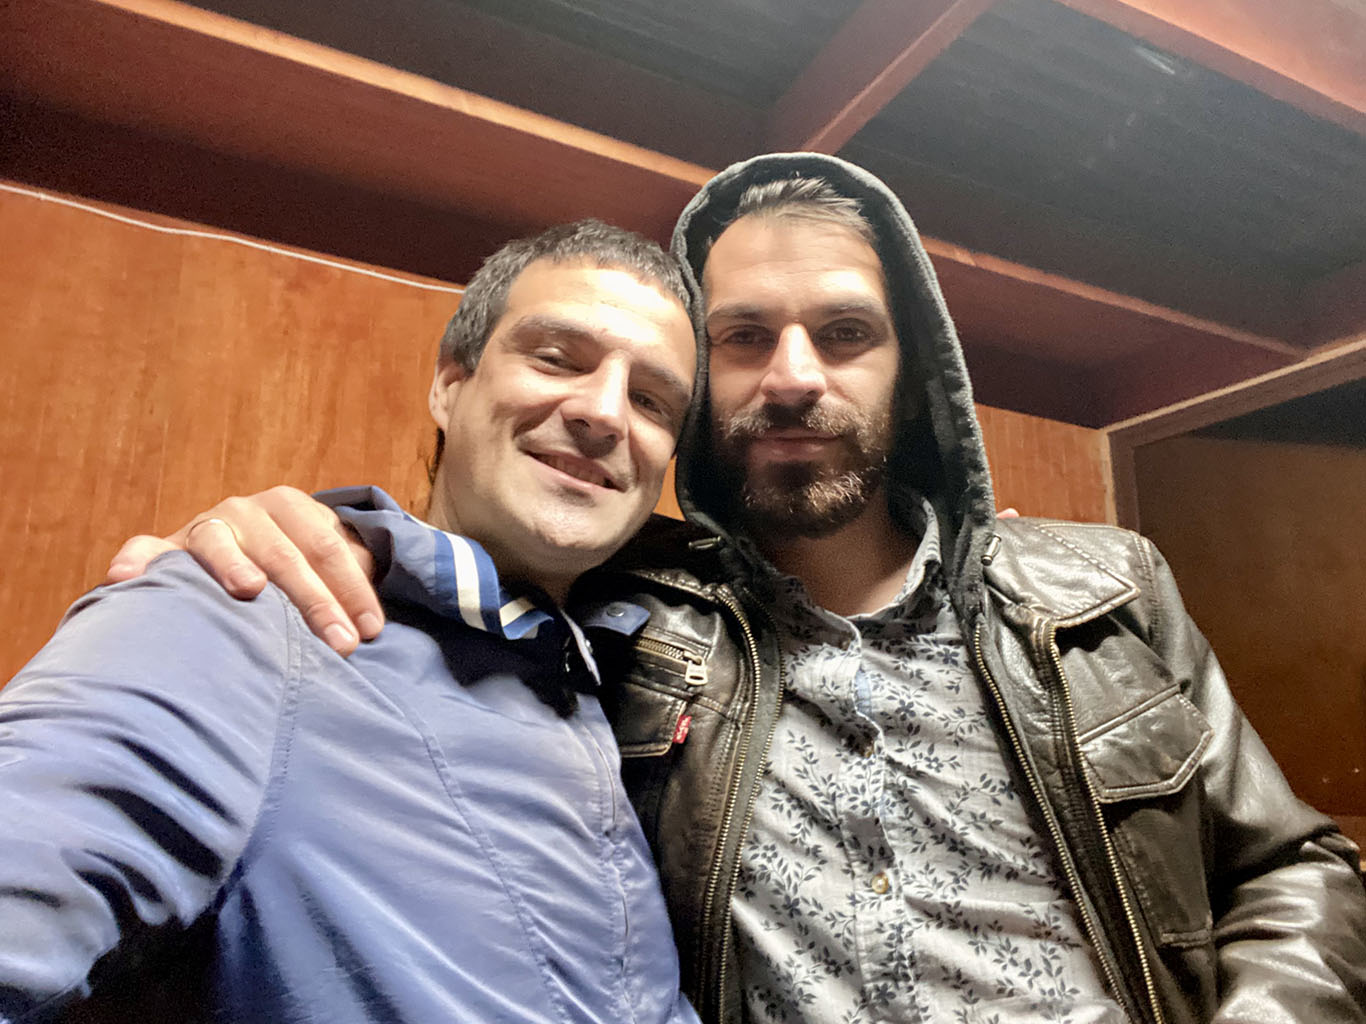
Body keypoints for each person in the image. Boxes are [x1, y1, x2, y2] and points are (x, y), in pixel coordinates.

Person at [106, 155, 1366, 1023]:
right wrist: (264, 536)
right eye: (743, 336)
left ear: (913, 378)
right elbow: (452, 565)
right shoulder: (616, 599)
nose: (794, 375)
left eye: (845, 333)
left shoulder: (1100, 587)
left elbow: (1294, 865)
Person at [0, 220, 704, 1023]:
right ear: (450, 384)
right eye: (556, 357)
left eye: (651, 400)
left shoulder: (616, 682)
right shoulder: (245, 613)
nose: (606, 412)